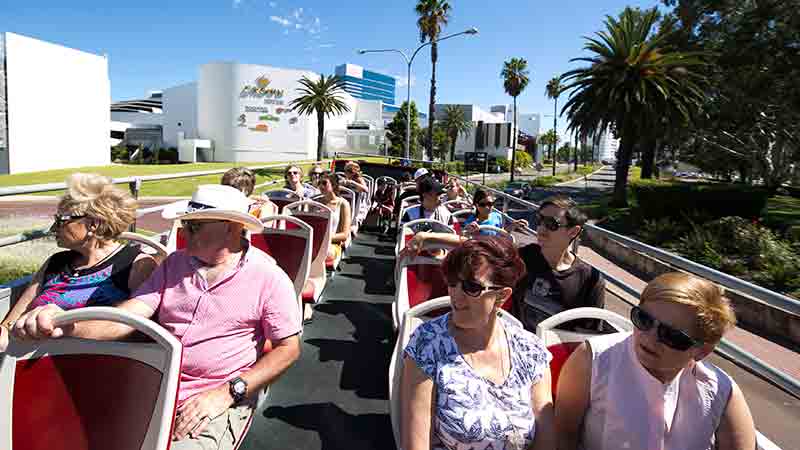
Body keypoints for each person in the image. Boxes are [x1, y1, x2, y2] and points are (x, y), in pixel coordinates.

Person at [10, 184, 302, 449]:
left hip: (213, 398)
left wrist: (229, 392)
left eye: (193, 225)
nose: (183, 232)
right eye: (185, 224)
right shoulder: (173, 264)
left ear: (231, 228)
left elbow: (288, 349)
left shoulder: (269, 278)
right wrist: (67, 325)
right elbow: (127, 316)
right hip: (147, 383)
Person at [555, 272, 756, 450]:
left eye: (671, 335)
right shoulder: (594, 360)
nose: (649, 337)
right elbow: (563, 436)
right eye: (644, 319)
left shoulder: (721, 391)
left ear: (702, 351)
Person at [401, 236, 555, 450]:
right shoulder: (428, 343)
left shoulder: (530, 349)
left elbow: (545, 439)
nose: (455, 295)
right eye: (452, 283)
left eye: (471, 287)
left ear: (501, 296)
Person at [1, 173, 158, 351]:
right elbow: (9, 325)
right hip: (28, 364)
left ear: (93, 224)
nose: (53, 228)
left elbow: (142, 333)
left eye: (61, 220)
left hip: (98, 364)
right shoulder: (55, 262)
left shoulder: (136, 264)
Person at [513, 196, 605, 333]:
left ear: (573, 231)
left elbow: (586, 336)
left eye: (551, 224)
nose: (541, 228)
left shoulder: (590, 281)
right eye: (539, 220)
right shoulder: (521, 257)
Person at [317, 171, 352, 262]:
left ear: (333, 185)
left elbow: (344, 235)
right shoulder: (315, 202)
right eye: (319, 183)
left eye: (324, 183)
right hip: (314, 242)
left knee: (318, 253)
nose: (321, 186)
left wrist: (323, 238)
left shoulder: (343, 204)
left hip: (332, 244)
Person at [462, 188, 528, 236]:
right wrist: (469, 229)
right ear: (476, 205)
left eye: (490, 204)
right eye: (482, 204)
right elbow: (465, 234)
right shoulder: (471, 221)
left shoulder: (497, 216)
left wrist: (514, 225)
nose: (487, 207)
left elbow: (502, 233)